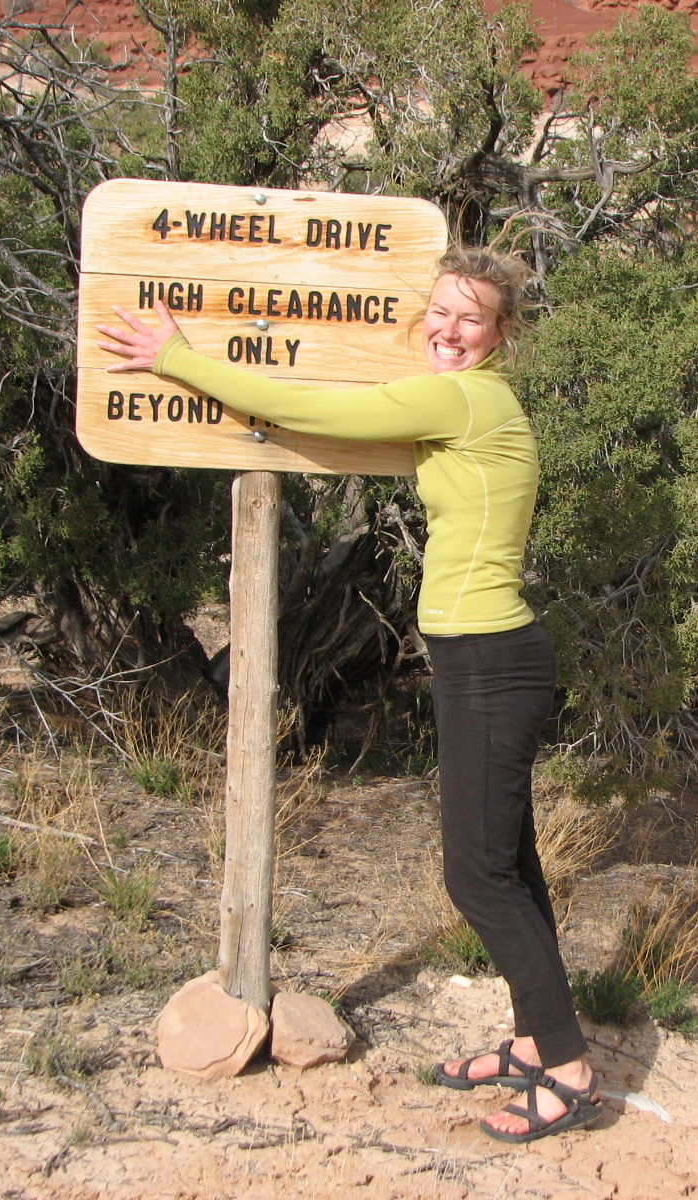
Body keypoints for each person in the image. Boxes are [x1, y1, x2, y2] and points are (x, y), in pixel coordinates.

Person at [96, 247, 600, 1143]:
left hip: (490, 659)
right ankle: (533, 1040)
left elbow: (315, 408)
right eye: (438, 312)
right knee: (509, 863)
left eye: (470, 319)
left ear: (500, 333)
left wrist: (177, 357)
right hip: (483, 657)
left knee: (477, 874)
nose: (448, 331)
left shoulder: (464, 396)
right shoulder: (468, 402)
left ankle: (565, 1065)